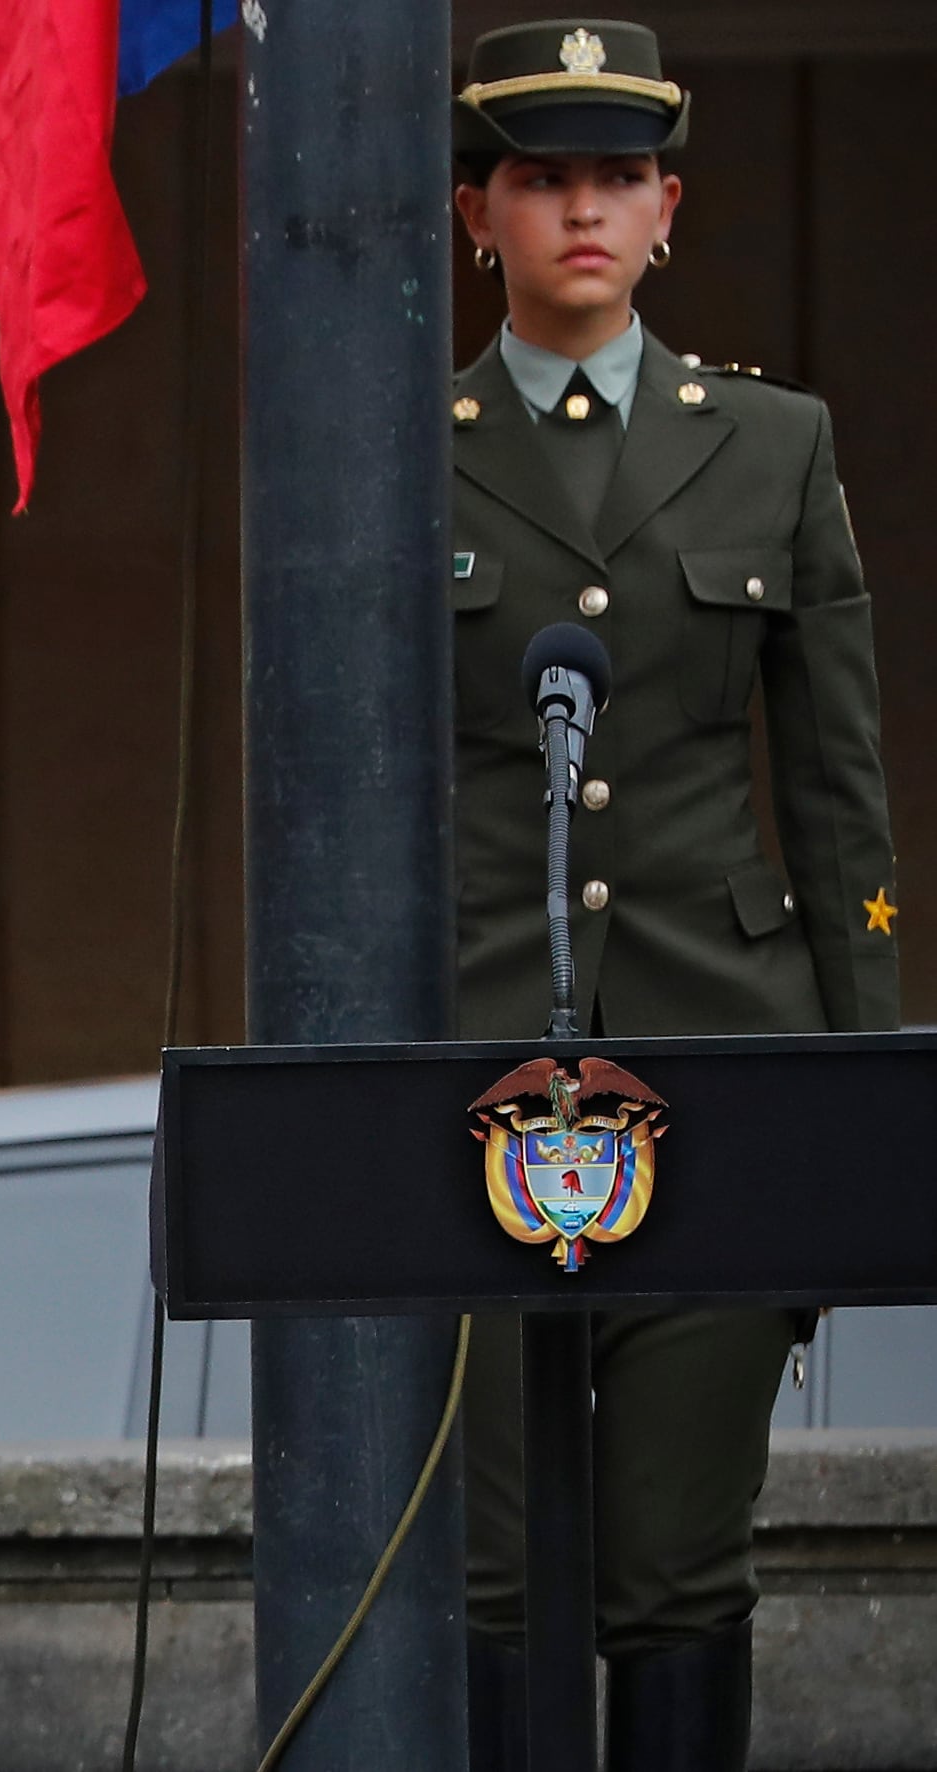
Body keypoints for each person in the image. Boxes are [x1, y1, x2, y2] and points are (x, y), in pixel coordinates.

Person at [448, 22, 899, 1767]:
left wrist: (857, 1107)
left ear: (665, 211)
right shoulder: (409, 448)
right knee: (489, 1577)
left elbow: (838, 807)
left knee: (677, 1573)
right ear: (477, 213)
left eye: (615, 180)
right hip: (476, 1065)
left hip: (723, 1059)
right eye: (543, 178)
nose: (582, 210)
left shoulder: (773, 446)